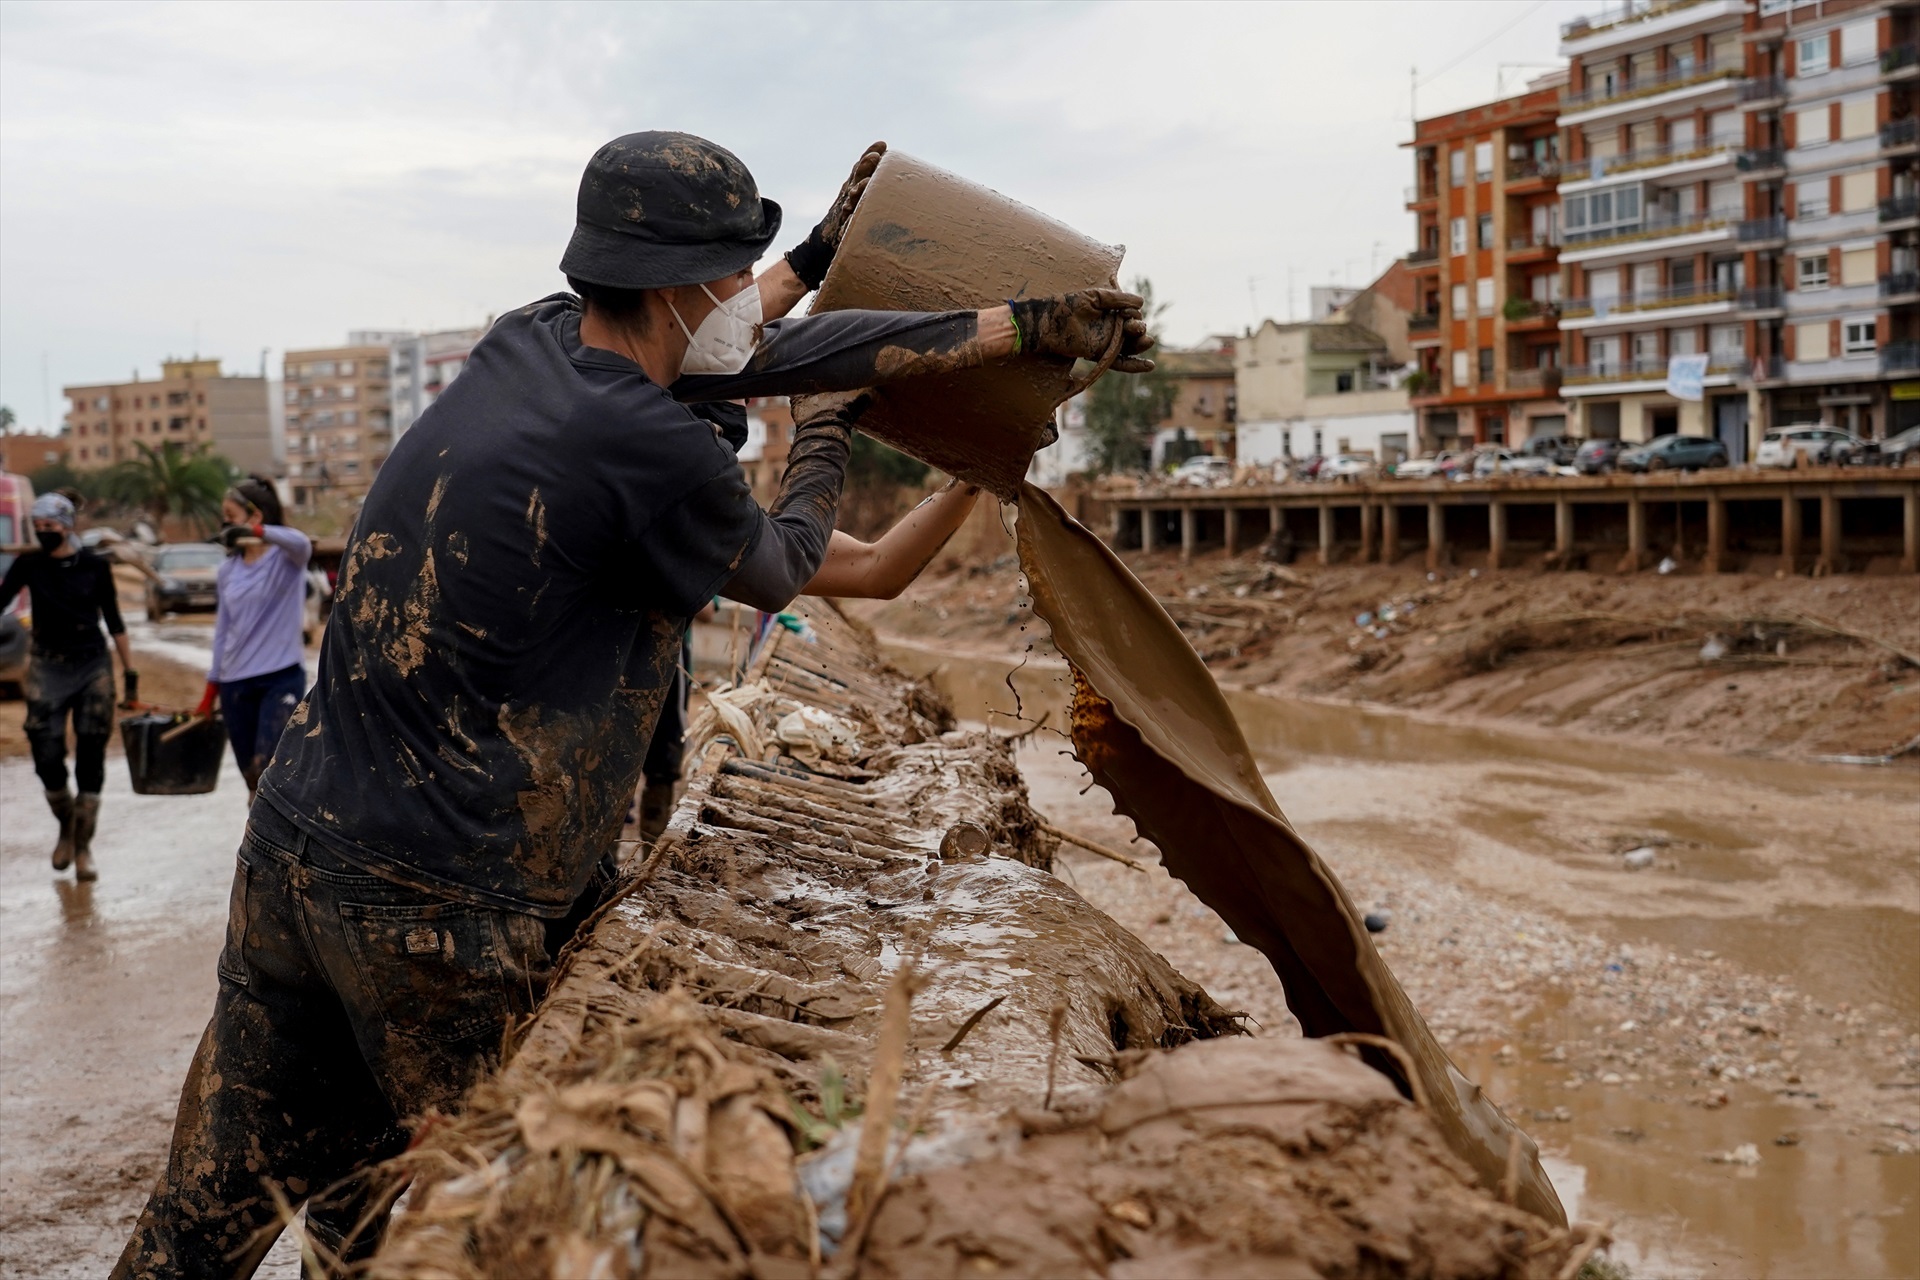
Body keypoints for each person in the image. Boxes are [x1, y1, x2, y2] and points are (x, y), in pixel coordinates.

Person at [116, 131, 1150, 1279]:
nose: (743, 311)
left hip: (297, 845)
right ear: (673, 289)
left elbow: (750, 347)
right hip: (440, 903)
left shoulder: (536, 340)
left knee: (209, 1215)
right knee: (482, 1221)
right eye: (731, 277)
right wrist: (827, 429)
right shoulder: (649, 445)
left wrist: (947, 305)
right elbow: (785, 545)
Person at [635, 477, 985, 841]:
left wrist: (971, 479)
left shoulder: (665, 521)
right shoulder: (691, 530)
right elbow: (873, 568)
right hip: (640, 694)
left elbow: (875, 568)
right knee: (659, 764)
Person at [1, 493, 136, 882]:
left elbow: (114, 621)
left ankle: (82, 848)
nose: (44, 533)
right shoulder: (29, 564)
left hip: (93, 665)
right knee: (44, 749)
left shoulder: (94, 566)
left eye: (50, 526)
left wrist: (130, 675)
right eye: (38, 527)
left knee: (91, 752)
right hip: (47, 663)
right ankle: (66, 824)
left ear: (67, 525)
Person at [192, 476, 313, 796]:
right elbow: (222, 632)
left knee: (269, 769)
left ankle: (274, 839)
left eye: (230, 517)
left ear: (255, 516)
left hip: (280, 677)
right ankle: (258, 836)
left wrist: (257, 534)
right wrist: (210, 689)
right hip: (235, 683)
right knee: (250, 776)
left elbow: (302, 542)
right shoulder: (228, 570)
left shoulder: (286, 560)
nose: (225, 524)